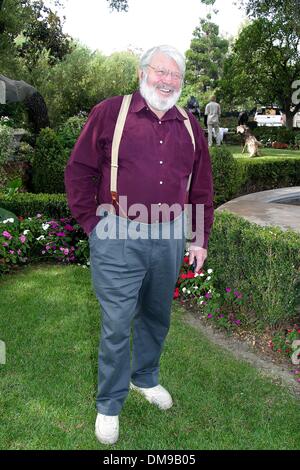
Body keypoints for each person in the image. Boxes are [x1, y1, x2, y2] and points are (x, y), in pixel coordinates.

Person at [65, 45, 214, 445]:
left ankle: (144, 378)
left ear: (181, 82)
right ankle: (109, 404)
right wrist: (92, 224)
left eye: (175, 75)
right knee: (116, 323)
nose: (167, 81)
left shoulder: (189, 124)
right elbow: (78, 169)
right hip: (117, 231)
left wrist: (199, 238)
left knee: (156, 315)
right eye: (160, 71)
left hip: (170, 233)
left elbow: (200, 188)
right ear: (142, 72)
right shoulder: (111, 113)